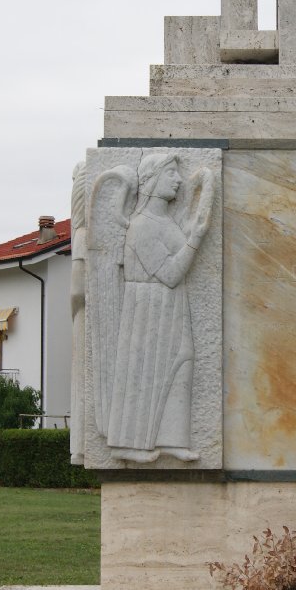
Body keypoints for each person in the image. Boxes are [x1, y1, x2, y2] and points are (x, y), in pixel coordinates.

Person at [104, 150, 214, 463]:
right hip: (149, 307)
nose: (178, 180)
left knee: (182, 362)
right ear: (152, 180)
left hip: (170, 305)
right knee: (143, 373)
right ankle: (130, 443)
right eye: (171, 173)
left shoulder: (164, 220)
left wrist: (203, 198)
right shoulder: (142, 226)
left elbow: (185, 246)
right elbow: (170, 273)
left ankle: (171, 439)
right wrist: (196, 239)